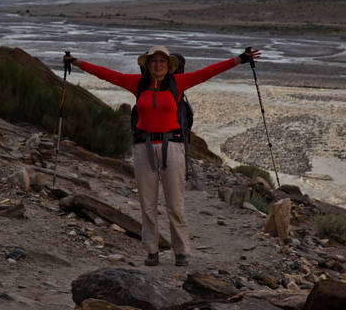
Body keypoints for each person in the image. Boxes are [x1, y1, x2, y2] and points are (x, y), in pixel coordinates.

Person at [64, 45, 261, 267]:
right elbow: (107, 74)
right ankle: (151, 251)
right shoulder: (137, 84)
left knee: (175, 204)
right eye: (153, 61)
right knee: (147, 204)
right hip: (143, 148)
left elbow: (209, 72)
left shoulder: (178, 83)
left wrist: (240, 59)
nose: (158, 65)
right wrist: (77, 62)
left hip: (173, 147)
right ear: (147, 65)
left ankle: (182, 252)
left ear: (169, 66)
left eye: (162, 61)